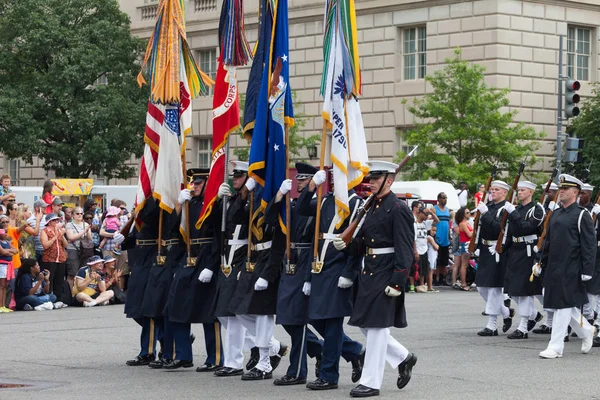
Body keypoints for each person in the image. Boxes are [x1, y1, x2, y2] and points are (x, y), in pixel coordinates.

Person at [333, 161, 417, 397]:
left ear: (389, 181)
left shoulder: (398, 208)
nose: (370, 183)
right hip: (369, 270)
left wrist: (398, 281)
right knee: (364, 322)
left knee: (378, 328)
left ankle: (371, 382)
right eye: (370, 179)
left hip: (386, 272)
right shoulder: (372, 206)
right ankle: (403, 357)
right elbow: (367, 242)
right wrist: (346, 245)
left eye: (376, 179)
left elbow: (404, 248)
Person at [297, 168, 365, 391]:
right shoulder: (325, 201)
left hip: (339, 269)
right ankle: (354, 351)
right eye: (333, 177)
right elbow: (302, 208)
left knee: (332, 324)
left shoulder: (356, 204)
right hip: (319, 268)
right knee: (315, 318)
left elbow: (358, 244)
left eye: (339, 177)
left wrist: (349, 273)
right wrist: (311, 187)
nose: (334, 181)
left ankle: (329, 375)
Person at [158, 169, 223, 371]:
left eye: (198, 183)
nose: (193, 186)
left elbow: (218, 239)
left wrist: (211, 266)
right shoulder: (189, 204)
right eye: (192, 183)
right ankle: (184, 355)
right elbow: (170, 229)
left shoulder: (214, 205)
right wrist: (178, 205)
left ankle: (215, 358)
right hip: (188, 258)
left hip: (206, 257)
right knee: (174, 308)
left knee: (207, 313)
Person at [267, 163, 324, 386]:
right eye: (298, 178)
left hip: (304, 262)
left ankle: (297, 371)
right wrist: (279, 196)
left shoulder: (317, 205)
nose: (298, 181)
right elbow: (271, 220)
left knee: (297, 319)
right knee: (285, 317)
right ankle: (328, 348)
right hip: (288, 263)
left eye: (304, 178)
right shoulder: (291, 204)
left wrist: (310, 274)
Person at [229, 173, 288, 381]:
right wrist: (244, 192)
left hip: (269, 261)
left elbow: (279, 242)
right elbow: (234, 218)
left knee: (263, 315)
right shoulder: (253, 200)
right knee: (240, 310)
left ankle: (264, 364)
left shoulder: (280, 204)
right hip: (253, 259)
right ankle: (273, 346)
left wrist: (279, 196)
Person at [535, 174, 596, 358]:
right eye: (561, 189)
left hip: (572, 268)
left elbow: (589, 245)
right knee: (560, 305)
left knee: (562, 307)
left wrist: (587, 270)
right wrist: (539, 262)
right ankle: (587, 331)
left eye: (565, 189)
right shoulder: (557, 213)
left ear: (576, 192)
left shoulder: (582, 215)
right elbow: (548, 241)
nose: (561, 192)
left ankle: (556, 346)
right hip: (554, 266)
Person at [212, 161, 257, 378]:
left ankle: (235, 361)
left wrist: (246, 191)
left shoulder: (249, 199)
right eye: (234, 177)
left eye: (239, 177)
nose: (235, 180)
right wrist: (217, 200)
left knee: (234, 315)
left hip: (240, 257)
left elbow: (242, 216)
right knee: (223, 314)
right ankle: (272, 346)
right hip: (225, 259)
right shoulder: (230, 200)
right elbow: (213, 225)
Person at [503, 181, 545, 339]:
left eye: (522, 190)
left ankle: (523, 327)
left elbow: (527, 227)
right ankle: (534, 316)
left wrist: (513, 214)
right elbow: (511, 231)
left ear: (531, 192)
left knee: (525, 291)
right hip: (515, 251)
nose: (519, 193)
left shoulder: (536, 209)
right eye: (519, 190)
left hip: (529, 252)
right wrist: (501, 249)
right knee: (513, 290)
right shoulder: (517, 209)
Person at [474, 181, 514, 336]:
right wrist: (477, 247)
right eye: (491, 190)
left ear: (505, 193)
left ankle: (492, 325)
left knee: (493, 289)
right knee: (481, 286)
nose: (493, 192)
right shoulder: (489, 207)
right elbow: (480, 228)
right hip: (485, 249)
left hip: (497, 250)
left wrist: (485, 213)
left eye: (496, 190)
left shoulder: (506, 209)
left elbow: (498, 228)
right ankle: (505, 312)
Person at [123, 198, 160, 367]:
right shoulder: (137, 219)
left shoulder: (153, 213)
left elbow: (153, 221)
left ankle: (148, 351)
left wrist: (139, 210)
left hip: (150, 261)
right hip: (138, 262)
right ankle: (165, 335)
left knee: (148, 310)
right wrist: (122, 238)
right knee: (134, 308)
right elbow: (131, 239)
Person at [65, 207, 93, 290]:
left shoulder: (86, 224)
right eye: (77, 213)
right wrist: (84, 231)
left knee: (84, 273)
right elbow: (71, 237)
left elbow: (90, 238)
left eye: (81, 213)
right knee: (72, 274)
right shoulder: (69, 225)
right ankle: (70, 294)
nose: (80, 215)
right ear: (73, 215)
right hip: (73, 249)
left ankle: (82, 291)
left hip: (84, 250)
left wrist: (88, 231)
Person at [452, 207, 473, 291]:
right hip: (465, 245)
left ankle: (463, 282)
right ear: (463, 214)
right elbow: (469, 234)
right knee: (464, 265)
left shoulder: (466, 223)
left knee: (465, 264)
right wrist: (475, 232)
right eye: (467, 212)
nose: (469, 214)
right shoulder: (462, 224)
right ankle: (463, 284)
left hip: (467, 244)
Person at [434, 193, 451, 286]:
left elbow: (448, 224)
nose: (445, 200)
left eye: (446, 198)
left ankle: (443, 277)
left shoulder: (448, 210)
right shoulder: (434, 209)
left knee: (444, 260)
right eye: (443, 198)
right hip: (437, 237)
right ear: (439, 199)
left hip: (445, 238)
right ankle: (436, 278)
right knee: (437, 260)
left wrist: (449, 236)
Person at [0, 225, 17, 312]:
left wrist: (7, 252)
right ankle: (0, 305)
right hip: (2, 265)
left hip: (8, 265)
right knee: (1, 286)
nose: (6, 234)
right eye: (4, 232)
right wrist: (9, 252)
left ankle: (3, 305)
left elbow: (16, 251)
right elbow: (2, 252)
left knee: (6, 285)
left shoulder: (7, 242)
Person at [426, 225, 439, 293]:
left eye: (435, 231)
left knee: (431, 271)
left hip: (433, 255)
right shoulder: (429, 238)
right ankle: (430, 287)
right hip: (431, 256)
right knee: (430, 271)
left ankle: (429, 286)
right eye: (432, 230)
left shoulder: (432, 238)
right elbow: (436, 247)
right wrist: (437, 246)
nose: (434, 232)